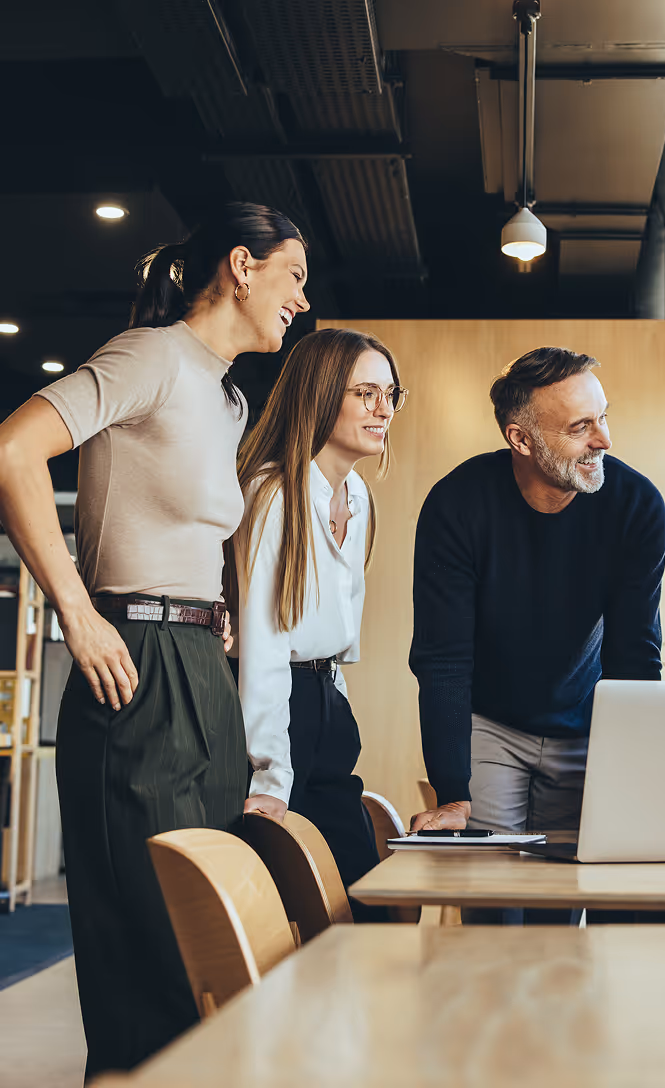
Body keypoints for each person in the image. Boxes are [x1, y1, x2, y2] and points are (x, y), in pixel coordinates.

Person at [0, 202, 309, 1076]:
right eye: (293, 274)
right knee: (151, 969)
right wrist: (77, 612)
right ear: (242, 267)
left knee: (209, 959)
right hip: (134, 660)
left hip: (200, 672)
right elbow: (14, 451)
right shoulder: (152, 356)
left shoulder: (227, 395)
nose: (300, 298)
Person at [407, 346, 665, 836]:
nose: (605, 440)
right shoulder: (456, 504)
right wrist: (452, 793)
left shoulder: (637, 506)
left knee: (564, 892)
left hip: (589, 723)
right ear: (520, 439)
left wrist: (635, 773)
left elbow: (634, 654)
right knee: (492, 896)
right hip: (490, 724)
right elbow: (443, 657)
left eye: (603, 418)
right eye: (580, 427)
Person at [230, 328, 406, 912]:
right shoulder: (273, 492)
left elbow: (339, 634)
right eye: (365, 393)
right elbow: (263, 644)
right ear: (321, 394)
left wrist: (339, 705)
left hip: (326, 701)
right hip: (278, 710)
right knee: (291, 905)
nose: (383, 409)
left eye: (390, 393)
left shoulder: (356, 494)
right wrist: (271, 778)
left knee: (356, 894)